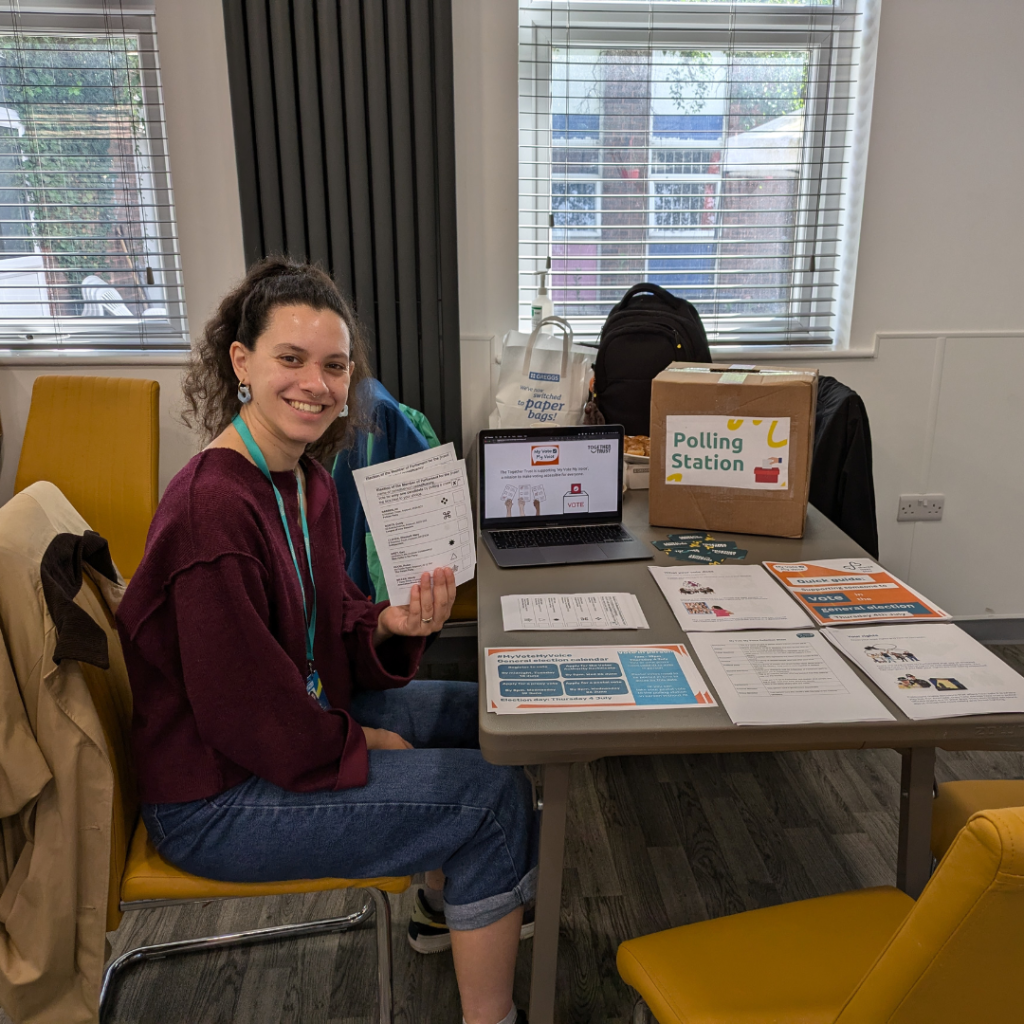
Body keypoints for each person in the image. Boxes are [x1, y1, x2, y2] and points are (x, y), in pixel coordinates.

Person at [116, 257, 536, 1024]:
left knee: (496, 716)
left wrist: (388, 622)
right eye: (291, 359)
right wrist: (360, 741)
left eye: (335, 366)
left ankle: (456, 906)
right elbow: (244, 712)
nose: (317, 383)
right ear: (241, 362)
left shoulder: (302, 477)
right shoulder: (212, 512)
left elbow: (332, 612)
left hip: (286, 731)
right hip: (217, 797)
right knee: (494, 799)